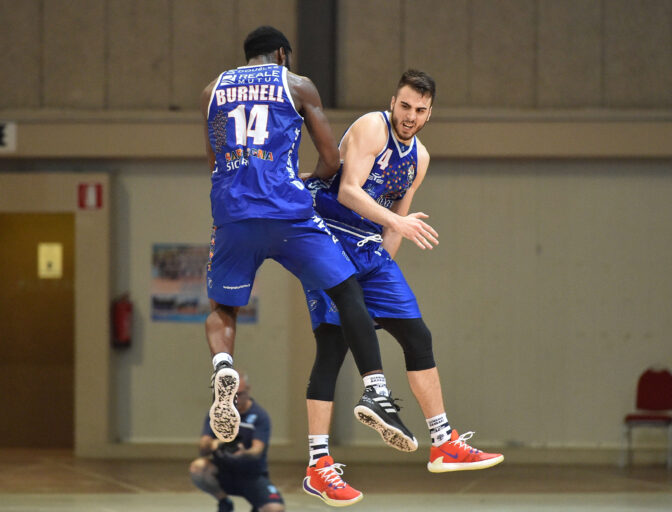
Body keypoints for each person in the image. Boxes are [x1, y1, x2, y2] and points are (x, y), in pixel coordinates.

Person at [200, 26, 432, 459]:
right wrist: (309, 181)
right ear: (283, 54)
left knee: (222, 308)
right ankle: (376, 390)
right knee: (348, 291)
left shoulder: (212, 90)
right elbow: (332, 160)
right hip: (289, 213)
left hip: (232, 215)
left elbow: (215, 160)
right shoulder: (296, 85)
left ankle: (223, 367)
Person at [301, 70, 504, 505]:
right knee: (332, 348)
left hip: (371, 248)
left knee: (418, 335)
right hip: (327, 236)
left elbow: (397, 221)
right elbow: (351, 192)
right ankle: (318, 465)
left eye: (420, 110)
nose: (410, 116)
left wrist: (382, 272)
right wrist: (396, 224)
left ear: (431, 114)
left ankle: (443, 441)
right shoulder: (372, 127)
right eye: (405, 105)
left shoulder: (420, 158)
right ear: (394, 101)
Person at [189, 371, 284, 512]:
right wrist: (214, 444)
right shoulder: (217, 412)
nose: (236, 400)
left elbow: (258, 451)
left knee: (275, 509)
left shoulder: (259, 416)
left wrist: (244, 453)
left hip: (251, 476)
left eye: (240, 394)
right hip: (223, 472)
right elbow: (202, 450)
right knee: (198, 468)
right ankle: (224, 501)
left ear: (248, 390)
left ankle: (258, 505)